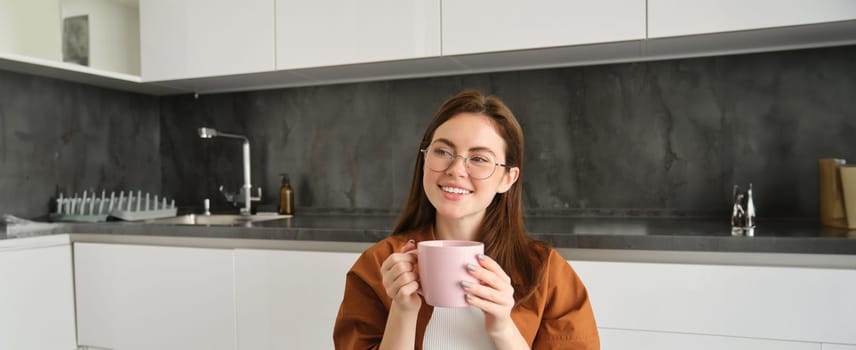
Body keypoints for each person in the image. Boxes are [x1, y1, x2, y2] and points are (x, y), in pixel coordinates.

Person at [333, 90, 600, 349]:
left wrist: (503, 328)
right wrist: (402, 311)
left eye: (479, 158)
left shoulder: (547, 273)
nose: (456, 170)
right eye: (442, 152)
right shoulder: (377, 266)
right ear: (424, 160)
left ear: (508, 178)